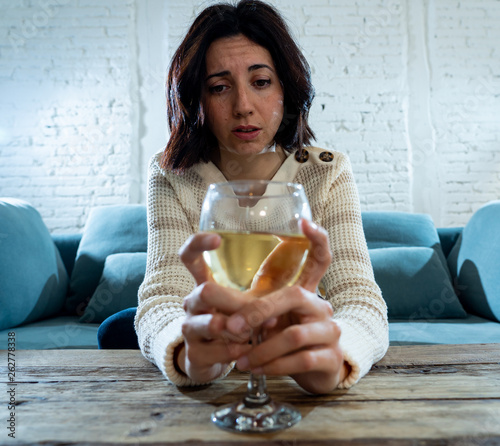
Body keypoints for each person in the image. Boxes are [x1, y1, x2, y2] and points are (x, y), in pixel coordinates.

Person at [133, 0, 388, 394]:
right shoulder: (171, 175)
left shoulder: (326, 171)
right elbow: (162, 298)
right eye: (219, 87)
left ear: (287, 88)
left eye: (261, 82)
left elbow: (360, 299)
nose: (243, 107)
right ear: (196, 100)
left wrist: (338, 356)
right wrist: (186, 352)